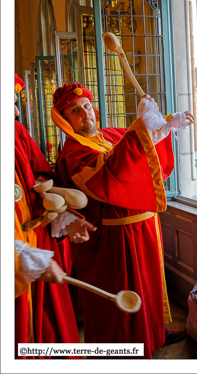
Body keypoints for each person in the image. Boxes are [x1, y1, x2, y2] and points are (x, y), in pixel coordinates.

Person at [51, 82, 194, 358]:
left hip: (142, 228)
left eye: (87, 107)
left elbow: (139, 149)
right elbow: (110, 173)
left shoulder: (108, 134)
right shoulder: (73, 154)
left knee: (150, 288)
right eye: (75, 111)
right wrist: (144, 126)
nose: (86, 114)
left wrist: (163, 127)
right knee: (123, 299)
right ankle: (127, 352)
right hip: (114, 241)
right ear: (65, 121)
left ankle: (154, 334)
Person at [14, 74, 96, 358]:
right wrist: (23, 256)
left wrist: (65, 218)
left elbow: (38, 188)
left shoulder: (16, 133)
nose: (15, 111)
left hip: (36, 246)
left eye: (14, 102)